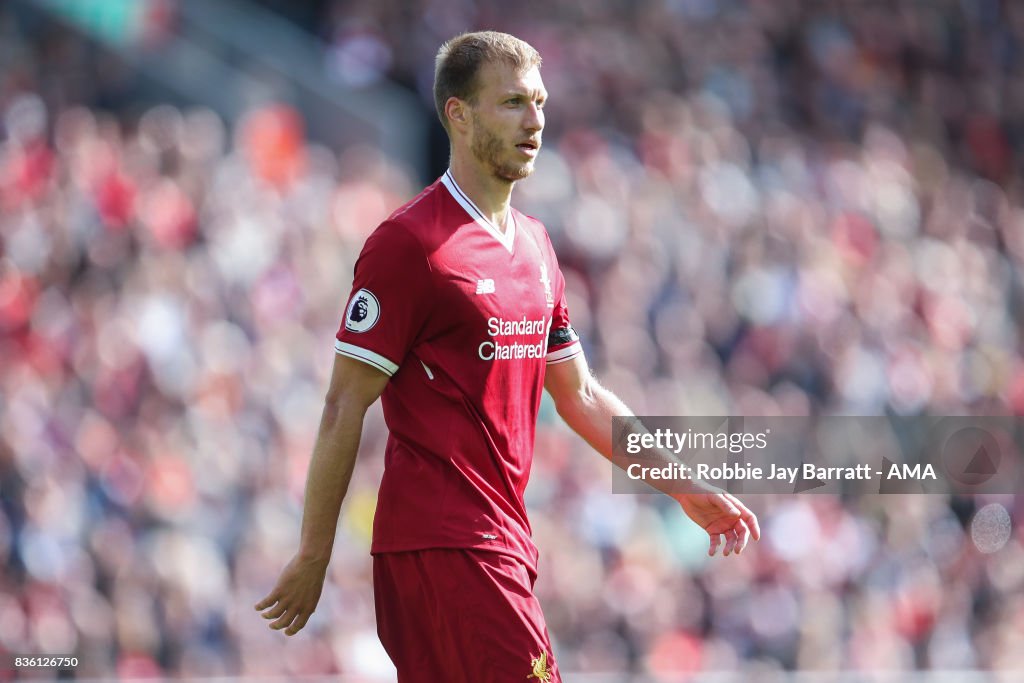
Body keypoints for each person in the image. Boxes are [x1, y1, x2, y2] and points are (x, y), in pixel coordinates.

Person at [255, 30, 760, 682]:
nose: (535, 121)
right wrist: (313, 554)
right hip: (448, 544)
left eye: (540, 103)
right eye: (512, 102)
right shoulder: (410, 244)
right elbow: (342, 404)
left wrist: (682, 483)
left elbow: (579, 394)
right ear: (458, 115)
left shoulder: (537, 247)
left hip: (500, 542)